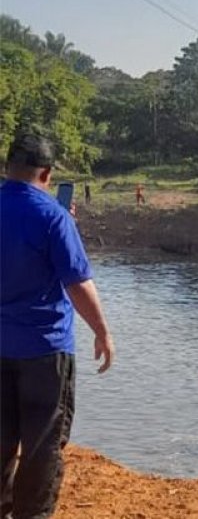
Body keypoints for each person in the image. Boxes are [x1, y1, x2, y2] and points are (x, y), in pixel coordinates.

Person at [1, 134, 115, 519]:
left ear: (7, 168)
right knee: (42, 443)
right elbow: (77, 283)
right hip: (44, 351)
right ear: (47, 174)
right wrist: (102, 331)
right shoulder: (53, 217)